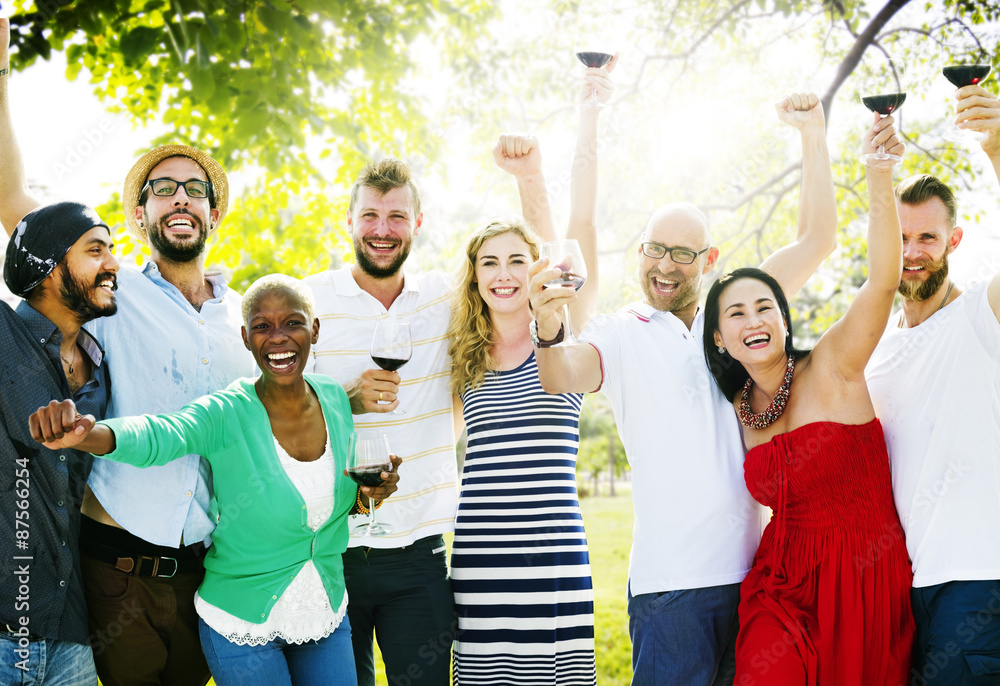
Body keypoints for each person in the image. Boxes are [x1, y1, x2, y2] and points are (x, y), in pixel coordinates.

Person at [527, 92, 837, 685]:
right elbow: (559, 374)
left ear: (709, 259)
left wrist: (812, 134)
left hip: (755, 581)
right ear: (640, 251)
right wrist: (546, 327)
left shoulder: (737, 315)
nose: (664, 265)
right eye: (654, 249)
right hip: (671, 592)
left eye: (682, 254)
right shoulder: (621, 332)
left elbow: (817, 238)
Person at [0, 19, 256, 684]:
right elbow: (13, 204)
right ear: (140, 215)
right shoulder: (111, 294)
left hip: (206, 577)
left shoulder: (248, 321)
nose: (179, 198)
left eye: (193, 189)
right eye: (162, 189)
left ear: (212, 214)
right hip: (113, 570)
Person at [28, 274, 402, 686]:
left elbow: (335, 502)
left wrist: (372, 496)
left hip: (324, 613)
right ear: (245, 337)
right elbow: (159, 434)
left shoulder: (333, 398)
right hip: (243, 625)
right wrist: (87, 432)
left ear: (314, 329)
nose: (278, 338)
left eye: (292, 323)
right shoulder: (227, 412)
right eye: (262, 326)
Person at [303, 137, 555, 686]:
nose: (382, 228)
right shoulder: (309, 301)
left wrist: (529, 178)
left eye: (397, 215)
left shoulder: (450, 299)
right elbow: (279, 412)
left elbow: (541, 272)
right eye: (369, 214)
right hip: (330, 549)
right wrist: (343, 399)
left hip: (418, 556)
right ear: (348, 220)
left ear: (418, 221)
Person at [702, 117, 913, 683]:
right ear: (719, 339)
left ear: (784, 316)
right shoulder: (740, 408)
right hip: (782, 583)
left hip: (863, 574)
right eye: (737, 313)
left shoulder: (835, 365)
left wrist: (877, 174)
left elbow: (883, 281)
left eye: (765, 306)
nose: (755, 320)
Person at [447, 58, 613, 686]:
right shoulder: (462, 357)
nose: (506, 273)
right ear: (477, 278)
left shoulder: (562, 327)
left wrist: (533, 175)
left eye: (518, 260)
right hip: (480, 559)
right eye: (490, 263)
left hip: (550, 558)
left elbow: (565, 237)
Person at [864, 84, 1000, 685]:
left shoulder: (981, 320)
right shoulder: (875, 349)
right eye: (900, 237)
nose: (912, 252)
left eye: (927, 237)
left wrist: (995, 146)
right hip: (901, 586)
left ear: (954, 241)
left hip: (977, 581)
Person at [0, 202, 117, 686]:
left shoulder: (101, 369)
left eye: (112, 250)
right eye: (96, 250)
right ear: (48, 268)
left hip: (70, 637)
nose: (112, 264)